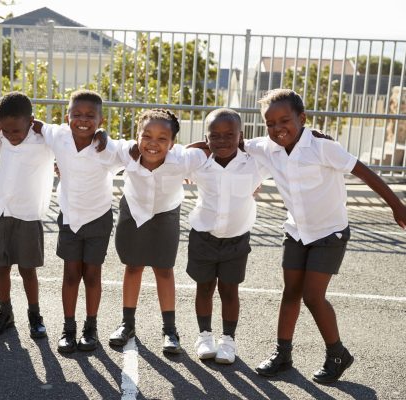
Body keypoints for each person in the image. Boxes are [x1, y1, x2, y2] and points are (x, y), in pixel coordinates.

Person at [245, 89, 406, 383]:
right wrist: (201, 145)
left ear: (302, 118)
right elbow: (230, 140)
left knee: (312, 296)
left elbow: (365, 173)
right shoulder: (268, 147)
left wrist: (397, 206)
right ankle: (283, 353)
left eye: (285, 120)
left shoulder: (322, 147)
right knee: (290, 292)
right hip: (296, 231)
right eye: (270, 123)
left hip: (330, 233)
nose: (277, 128)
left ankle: (337, 354)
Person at [106, 109, 207, 354]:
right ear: (136, 136)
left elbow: (212, 148)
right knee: (133, 267)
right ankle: (127, 324)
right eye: (147, 136)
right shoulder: (126, 152)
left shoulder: (183, 158)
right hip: (133, 211)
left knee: (164, 270)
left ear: (172, 143)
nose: (153, 143)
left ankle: (170, 330)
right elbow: (98, 146)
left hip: (165, 213)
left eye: (163, 138)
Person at [39, 89, 122, 353]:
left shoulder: (107, 149)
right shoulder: (58, 136)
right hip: (70, 217)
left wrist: (106, 138)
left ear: (101, 120)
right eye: (77, 114)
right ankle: (68, 327)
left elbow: (138, 149)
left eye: (90, 115)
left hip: (98, 218)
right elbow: (34, 124)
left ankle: (91, 327)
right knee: (71, 274)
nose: (83, 120)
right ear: (67, 117)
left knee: (93, 275)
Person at [185, 108, 269, 364]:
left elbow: (278, 146)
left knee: (230, 291)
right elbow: (173, 155)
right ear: (206, 137)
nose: (222, 141)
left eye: (229, 135)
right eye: (215, 136)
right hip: (203, 236)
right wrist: (198, 145)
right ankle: (205, 336)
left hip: (236, 239)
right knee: (204, 288)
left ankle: (228, 340)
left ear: (240, 136)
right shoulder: (198, 162)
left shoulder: (255, 163)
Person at [0, 92, 54, 339]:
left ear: (31, 121)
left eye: (17, 131)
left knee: (28, 270)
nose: (12, 137)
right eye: (7, 131)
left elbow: (69, 136)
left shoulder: (44, 140)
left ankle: (35, 316)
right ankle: (5, 313)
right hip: (0, 211)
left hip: (28, 214)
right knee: (0, 267)